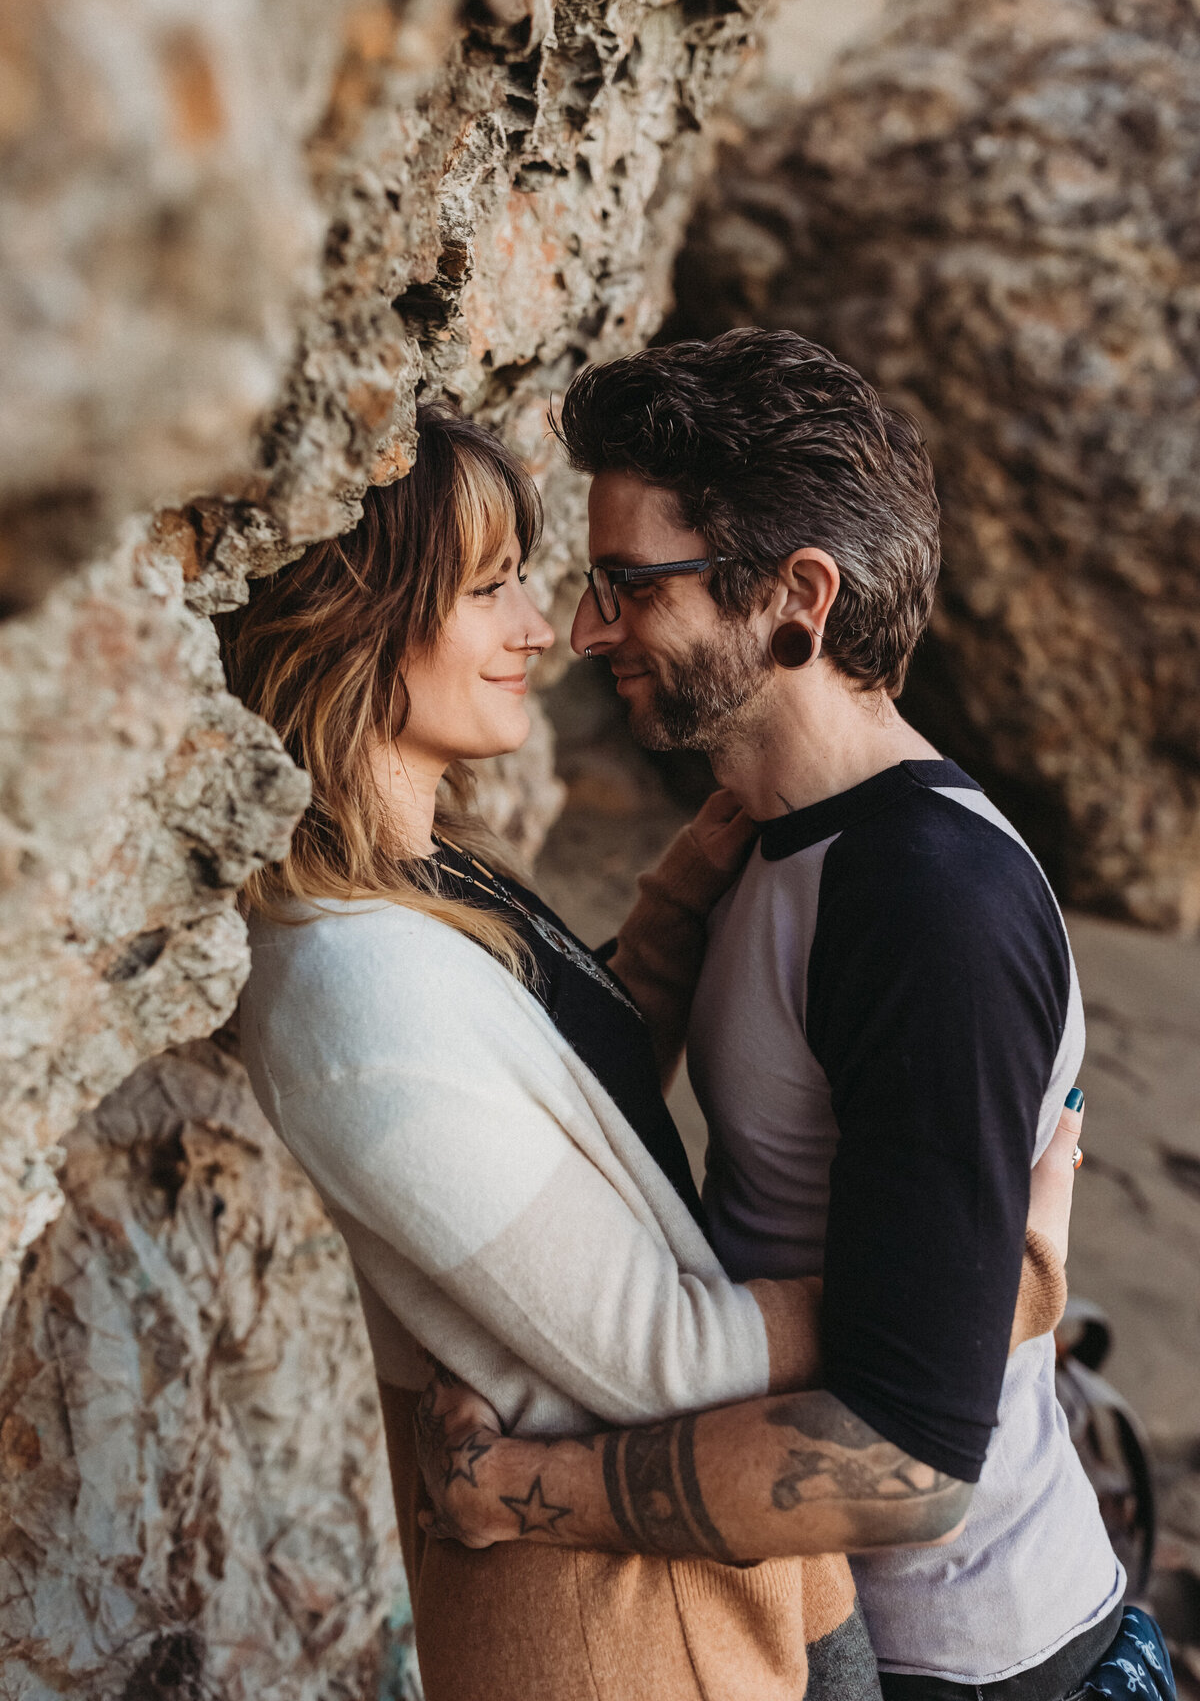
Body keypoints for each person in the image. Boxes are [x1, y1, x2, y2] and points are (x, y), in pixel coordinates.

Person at [221, 402, 1076, 1701]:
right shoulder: (345, 972)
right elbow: (659, 1353)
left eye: (608, 584)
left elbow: (572, 1093)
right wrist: (995, 1280)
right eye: (493, 587)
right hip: (616, 1630)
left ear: (799, 599)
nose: (553, 631)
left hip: (755, 1594)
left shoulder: (427, 883)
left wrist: (678, 912)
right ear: (360, 617)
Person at [414, 334, 1164, 1701]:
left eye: (632, 586)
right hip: (816, 1624)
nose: (588, 631)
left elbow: (904, 1460)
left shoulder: (926, 902)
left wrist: (528, 1491)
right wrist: (674, 908)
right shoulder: (774, 843)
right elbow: (604, 1112)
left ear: (796, 599)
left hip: (972, 1666)